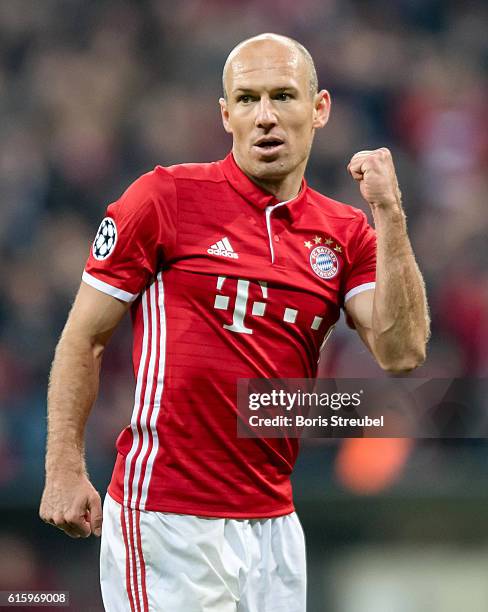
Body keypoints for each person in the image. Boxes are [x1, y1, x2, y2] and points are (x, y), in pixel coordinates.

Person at [39, 33, 430, 611]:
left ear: (319, 109)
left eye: (283, 96)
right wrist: (64, 466)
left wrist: (390, 214)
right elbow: (85, 336)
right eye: (247, 100)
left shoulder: (346, 233)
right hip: (168, 515)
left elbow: (403, 352)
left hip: (274, 524)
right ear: (226, 115)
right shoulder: (165, 198)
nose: (265, 117)